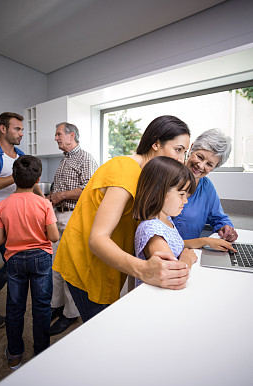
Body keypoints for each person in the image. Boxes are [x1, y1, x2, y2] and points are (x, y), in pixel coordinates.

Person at [53, 115, 192, 323]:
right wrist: (144, 269)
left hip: (109, 262)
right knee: (98, 329)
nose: (181, 159)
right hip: (86, 262)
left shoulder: (146, 176)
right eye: (178, 149)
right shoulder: (125, 170)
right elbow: (97, 239)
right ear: (155, 143)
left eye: (185, 153)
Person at [0, 155, 59, 370]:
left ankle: (14, 354)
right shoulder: (43, 204)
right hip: (40, 258)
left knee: (15, 306)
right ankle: (42, 351)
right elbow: (54, 236)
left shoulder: (3, 205)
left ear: (14, 177)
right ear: (38, 179)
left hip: (15, 260)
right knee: (41, 306)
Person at [48, 122, 98, 335]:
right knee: (56, 266)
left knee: (70, 267)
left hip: (73, 218)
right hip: (58, 216)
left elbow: (89, 188)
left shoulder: (85, 157)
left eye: (59, 134)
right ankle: (56, 306)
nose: (56, 138)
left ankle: (71, 313)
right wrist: (52, 196)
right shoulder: (65, 159)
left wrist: (61, 195)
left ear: (71, 135)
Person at [0, 112, 25, 329]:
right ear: (3, 129)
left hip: (8, 219)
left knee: (13, 263)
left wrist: (43, 199)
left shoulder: (20, 155)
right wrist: (16, 175)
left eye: (21, 129)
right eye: (17, 129)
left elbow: (29, 183)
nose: (21, 133)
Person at [133, 156, 198, 287]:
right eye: (181, 194)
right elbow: (173, 273)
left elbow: (174, 246)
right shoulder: (151, 230)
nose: (185, 201)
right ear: (159, 192)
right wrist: (187, 258)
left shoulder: (166, 220)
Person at [173, 128, 238, 247]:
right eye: (200, 157)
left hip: (190, 255)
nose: (201, 166)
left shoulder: (206, 187)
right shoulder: (167, 175)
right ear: (191, 148)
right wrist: (205, 242)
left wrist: (226, 227)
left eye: (209, 164)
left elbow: (219, 218)